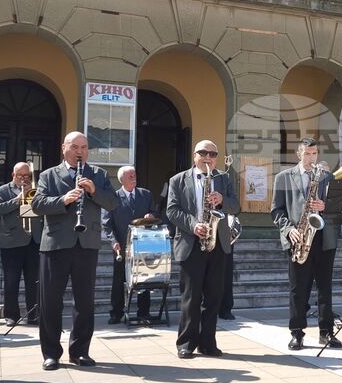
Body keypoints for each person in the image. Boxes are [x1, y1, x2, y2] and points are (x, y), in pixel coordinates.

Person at [32, 132, 118, 370]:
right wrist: (63, 200)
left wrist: (93, 192)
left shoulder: (99, 175)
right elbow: (37, 205)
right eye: (75, 147)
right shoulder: (49, 175)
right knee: (50, 301)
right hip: (55, 244)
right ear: (64, 148)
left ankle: (80, 351)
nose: (80, 151)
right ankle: (51, 353)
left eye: (84, 147)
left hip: (86, 243)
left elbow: (113, 203)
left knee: (84, 302)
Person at [166, 140, 240, 358]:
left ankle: (207, 343)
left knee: (214, 296)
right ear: (194, 155)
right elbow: (171, 210)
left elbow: (236, 206)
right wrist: (193, 225)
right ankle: (186, 343)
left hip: (217, 243)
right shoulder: (178, 180)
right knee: (191, 296)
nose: (208, 157)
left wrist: (222, 201)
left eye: (212, 154)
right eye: (203, 153)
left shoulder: (223, 178)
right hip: (191, 242)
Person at [272, 137, 342, 351]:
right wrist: (289, 229)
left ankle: (326, 332)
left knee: (325, 288)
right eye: (307, 154)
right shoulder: (283, 177)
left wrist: (325, 205)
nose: (312, 158)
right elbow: (277, 211)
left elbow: (339, 207)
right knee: (298, 289)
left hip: (324, 238)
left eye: (314, 154)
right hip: (298, 237)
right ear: (299, 154)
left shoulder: (328, 177)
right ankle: (297, 333)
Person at [0, 162, 42, 327]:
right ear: (13, 175)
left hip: (34, 240)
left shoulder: (37, 189)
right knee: (11, 281)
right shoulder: (3, 190)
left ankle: (33, 315)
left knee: (34, 281)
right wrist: (17, 200)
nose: (24, 179)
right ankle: (11, 315)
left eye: (27, 176)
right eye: (20, 175)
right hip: (12, 241)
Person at [102, 165, 155, 323]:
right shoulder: (114, 197)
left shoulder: (145, 194)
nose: (133, 177)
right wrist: (113, 242)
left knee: (144, 279)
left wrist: (151, 215)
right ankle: (116, 313)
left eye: (134, 174)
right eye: (130, 175)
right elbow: (106, 224)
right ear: (121, 180)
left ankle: (143, 312)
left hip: (143, 245)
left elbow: (155, 212)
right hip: (122, 246)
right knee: (119, 281)